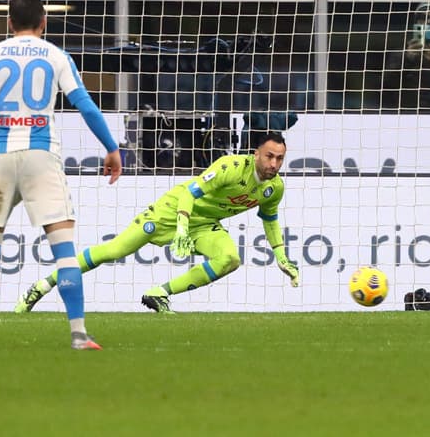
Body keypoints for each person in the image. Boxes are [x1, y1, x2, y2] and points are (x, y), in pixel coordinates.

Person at [0, 0, 123, 351]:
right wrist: (111, 148)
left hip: (0, 156)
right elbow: (86, 106)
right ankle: (79, 334)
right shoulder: (55, 55)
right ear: (44, 21)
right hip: (40, 154)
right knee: (64, 249)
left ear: (8, 22)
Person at [16, 132, 300, 315]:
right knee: (114, 251)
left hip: (204, 224)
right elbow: (190, 192)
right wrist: (180, 226)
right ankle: (42, 285)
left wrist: (281, 256)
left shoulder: (274, 188)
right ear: (256, 154)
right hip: (171, 211)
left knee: (229, 258)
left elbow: (270, 219)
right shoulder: (231, 167)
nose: (274, 164)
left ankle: (159, 294)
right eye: (270, 156)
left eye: (280, 159)